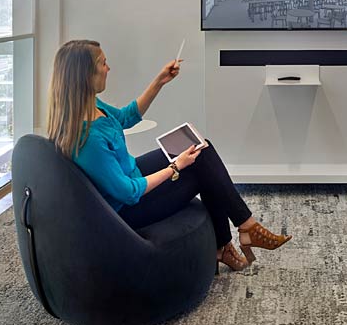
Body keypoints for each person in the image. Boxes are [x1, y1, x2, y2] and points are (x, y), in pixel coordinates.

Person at [46, 40, 291, 271]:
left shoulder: (92, 106)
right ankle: (239, 233)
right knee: (201, 168)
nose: (109, 68)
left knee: (201, 148)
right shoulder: (89, 138)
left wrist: (160, 81)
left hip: (129, 175)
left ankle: (230, 240)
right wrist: (175, 167)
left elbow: (125, 118)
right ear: (85, 76)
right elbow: (128, 193)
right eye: (103, 63)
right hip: (126, 210)